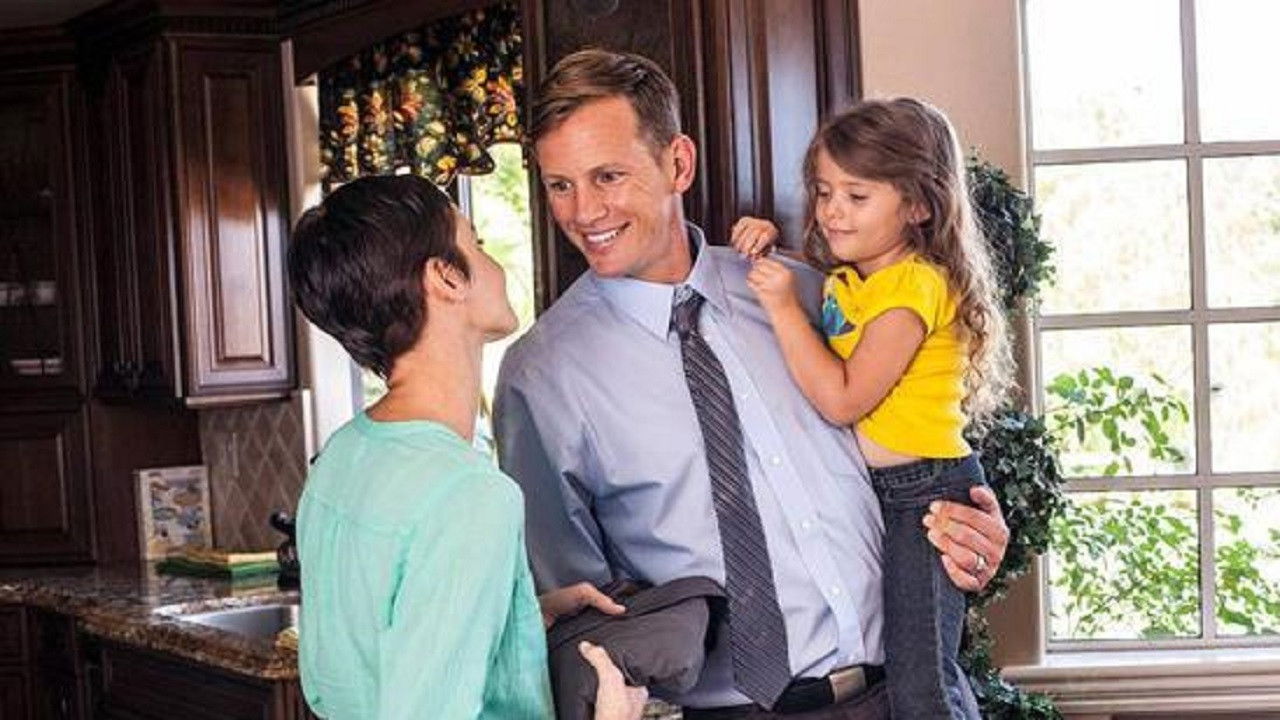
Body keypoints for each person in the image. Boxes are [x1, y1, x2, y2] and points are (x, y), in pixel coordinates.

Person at [494, 49, 1011, 720]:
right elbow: (574, 619)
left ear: (679, 163)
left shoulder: (804, 294)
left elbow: (917, 441)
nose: (584, 210)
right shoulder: (541, 377)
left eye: (608, 176)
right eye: (560, 185)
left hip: (905, 695)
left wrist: (973, 528)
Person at [288, 175, 647, 720]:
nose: (490, 261)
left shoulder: (342, 457)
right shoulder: (470, 495)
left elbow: (379, 651)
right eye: (475, 243)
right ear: (446, 277)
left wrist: (516, 616)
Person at [729, 98, 1014, 719]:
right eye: (823, 191)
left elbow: (843, 399)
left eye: (857, 197)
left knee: (920, 684)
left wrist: (782, 307)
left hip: (926, 496)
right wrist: (769, 247)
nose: (832, 210)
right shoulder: (858, 275)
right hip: (880, 491)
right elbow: (824, 287)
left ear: (918, 206)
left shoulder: (913, 288)